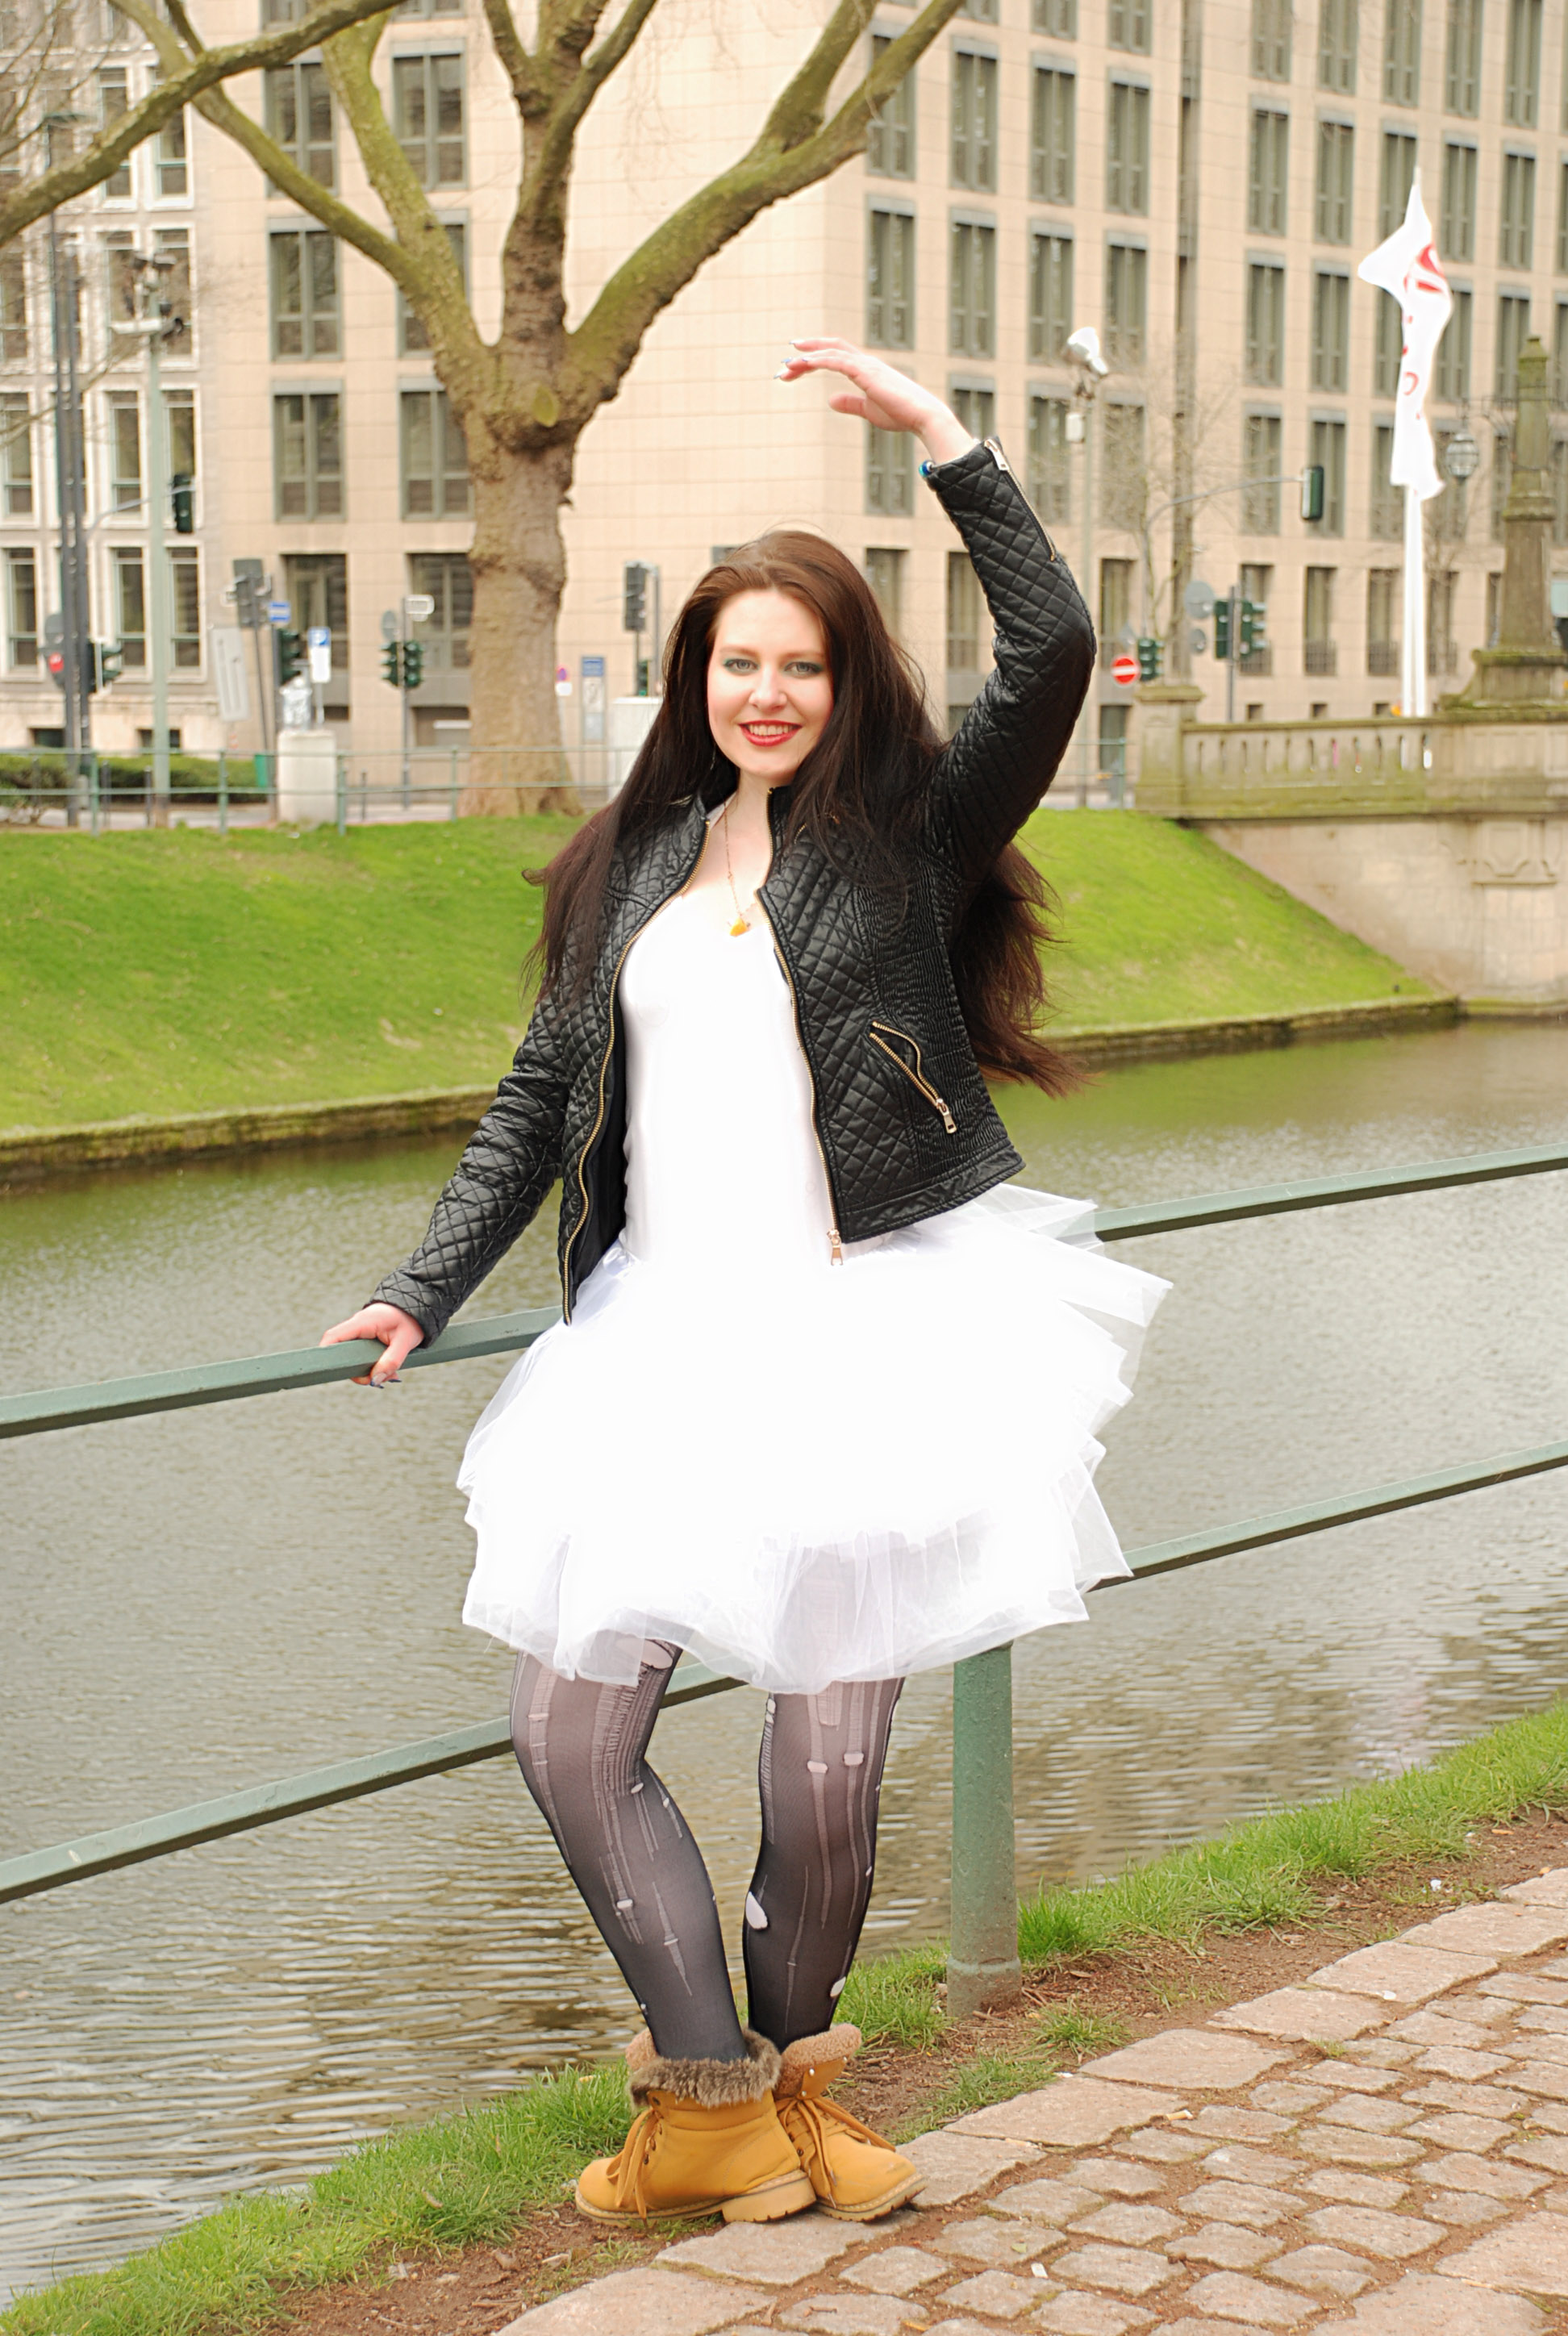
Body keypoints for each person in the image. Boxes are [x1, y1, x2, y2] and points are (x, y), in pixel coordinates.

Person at [322, 339, 1167, 2233]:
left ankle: (788, 2092)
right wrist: (423, 1285)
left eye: (800, 663)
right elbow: (540, 1096)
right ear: (694, 678)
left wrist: (946, 440)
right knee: (569, 1735)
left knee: (829, 1777)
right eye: (737, 662)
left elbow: (1051, 652)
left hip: (861, 1337)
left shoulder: (910, 841)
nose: (766, 691)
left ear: (842, 681)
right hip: (655, 1345)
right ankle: (708, 2098)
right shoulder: (626, 859)